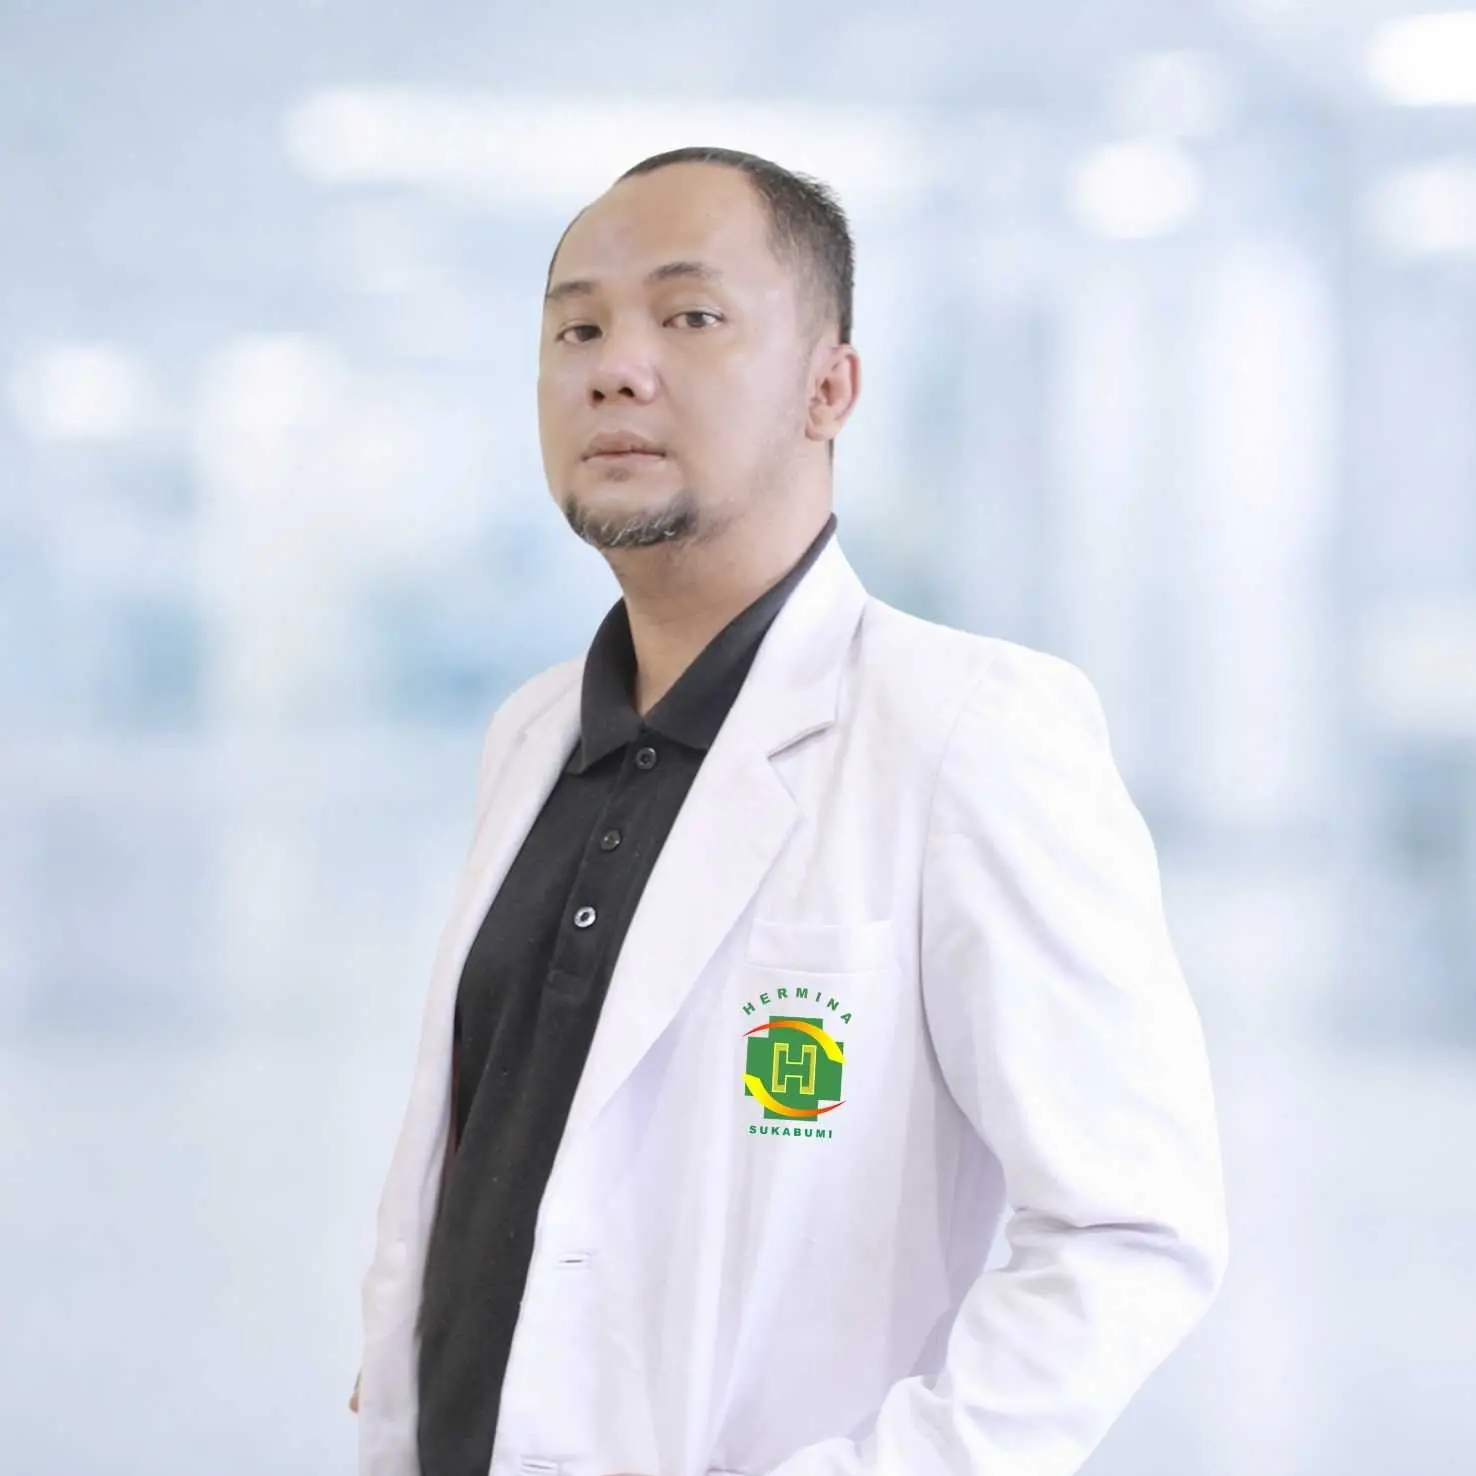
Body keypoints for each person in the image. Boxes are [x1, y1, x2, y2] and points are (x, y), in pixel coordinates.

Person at [353, 146, 1229, 1476]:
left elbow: (1129, 1233)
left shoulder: (969, 732)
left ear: (831, 387)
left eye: (690, 316)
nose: (617, 367)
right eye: (577, 328)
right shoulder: (533, 736)